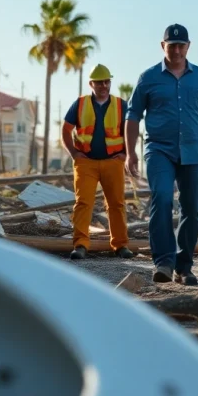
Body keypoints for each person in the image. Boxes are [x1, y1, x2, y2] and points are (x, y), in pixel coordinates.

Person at [126, 23, 198, 285]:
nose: (176, 50)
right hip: (159, 150)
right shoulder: (148, 77)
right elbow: (133, 115)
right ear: (163, 46)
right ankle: (163, 262)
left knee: (192, 208)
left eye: (180, 45)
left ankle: (183, 267)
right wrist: (130, 153)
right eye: (171, 45)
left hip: (193, 152)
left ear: (188, 46)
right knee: (161, 198)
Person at [61, 63, 133, 260]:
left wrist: (126, 154)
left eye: (107, 82)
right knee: (83, 203)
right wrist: (74, 154)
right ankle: (81, 245)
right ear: (91, 84)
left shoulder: (121, 105)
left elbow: (132, 130)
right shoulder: (80, 104)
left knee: (116, 204)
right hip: (86, 163)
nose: (104, 86)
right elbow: (66, 130)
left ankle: (120, 245)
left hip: (113, 162)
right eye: (99, 82)